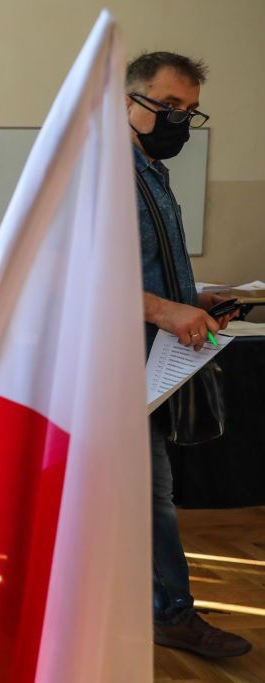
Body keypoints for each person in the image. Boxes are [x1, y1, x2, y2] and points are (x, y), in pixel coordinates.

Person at [127, 51, 251, 658]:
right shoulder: (101, 176)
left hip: (153, 364)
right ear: (127, 101)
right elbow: (80, 276)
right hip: (113, 366)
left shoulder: (152, 170)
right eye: (167, 105)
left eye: (190, 111)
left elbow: (147, 270)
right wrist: (165, 311)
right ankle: (172, 613)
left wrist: (197, 296)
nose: (179, 120)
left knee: (143, 492)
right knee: (151, 494)